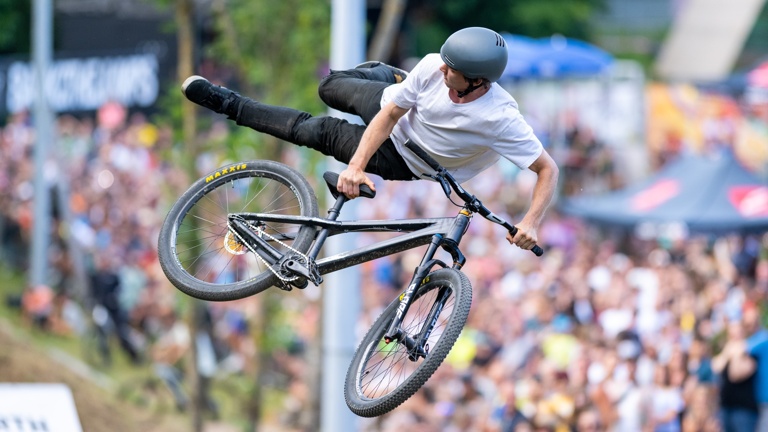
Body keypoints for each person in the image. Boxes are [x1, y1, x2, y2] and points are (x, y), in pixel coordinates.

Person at [182, 27, 558, 251]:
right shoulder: (431, 66)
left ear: (478, 80)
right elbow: (390, 115)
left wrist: (531, 222)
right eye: (443, 61)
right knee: (329, 88)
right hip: (393, 113)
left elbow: (546, 169)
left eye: (452, 69)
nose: (441, 67)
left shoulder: (502, 118)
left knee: (313, 131)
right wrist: (355, 168)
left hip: (409, 161)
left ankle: (226, 102)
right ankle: (394, 78)